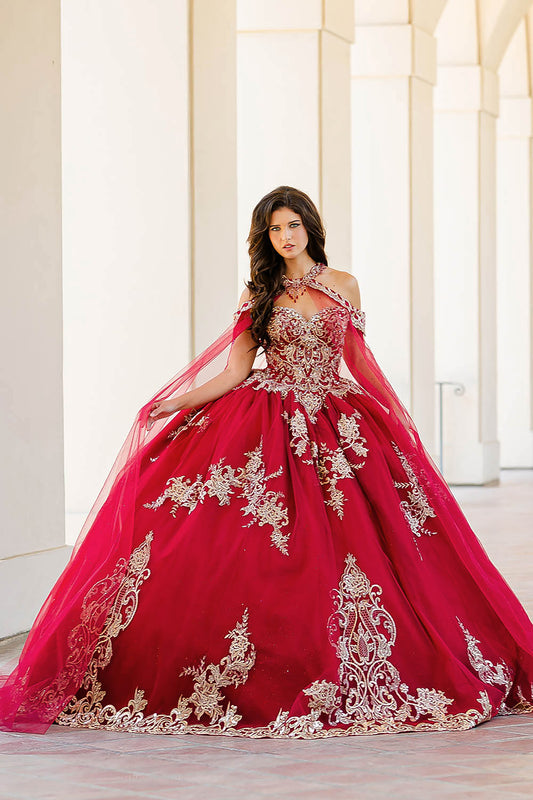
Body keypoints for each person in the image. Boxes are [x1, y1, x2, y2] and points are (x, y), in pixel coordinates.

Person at [1, 186, 532, 738]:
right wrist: (174, 402)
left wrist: (395, 419)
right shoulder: (259, 291)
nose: (285, 237)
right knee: (239, 550)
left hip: (336, 419)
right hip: (263, 422)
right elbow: (233, 372)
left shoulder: (343, 284)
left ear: (310, 227)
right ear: (266, 237)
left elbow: (356, 360)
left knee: (370, 546)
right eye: (275, 229)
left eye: (293, 226)